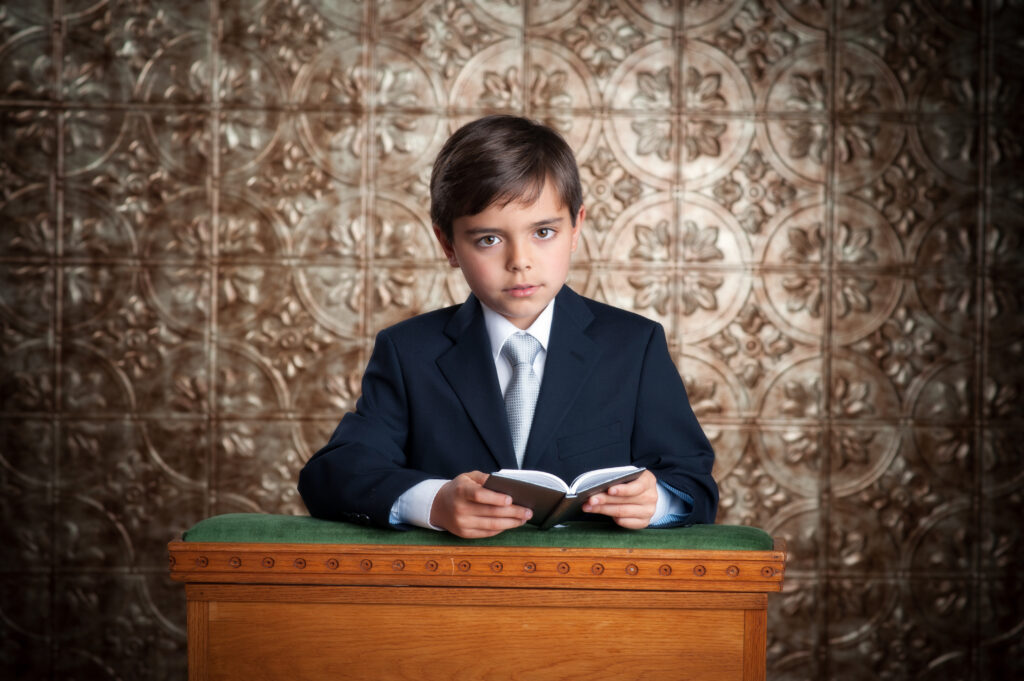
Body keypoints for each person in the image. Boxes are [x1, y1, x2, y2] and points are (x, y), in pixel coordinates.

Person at [298, 115, 717, 538]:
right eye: (489, 240)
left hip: (590, 593)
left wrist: (657, 500)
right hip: (451, 594)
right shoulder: (408, 352)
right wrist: (435, 502)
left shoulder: (634, 346)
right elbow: (332, 474)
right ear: (449, 245)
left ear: (576, 228)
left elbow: (694, 484)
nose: (520, 261)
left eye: (544, 232)